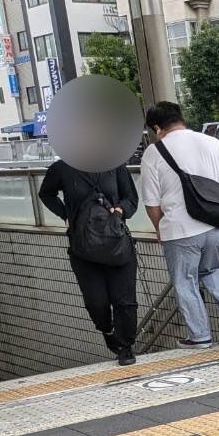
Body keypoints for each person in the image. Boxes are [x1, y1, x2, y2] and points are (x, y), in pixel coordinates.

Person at [139, 101, 219, 349]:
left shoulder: (154, 153)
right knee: (211, 268)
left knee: (185, 281)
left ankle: (200, 336)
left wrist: (159, 229)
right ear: (180, 118)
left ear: (157, 127)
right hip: (215, 226)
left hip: (180, 229)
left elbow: (152, 203)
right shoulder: (211, 142)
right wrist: (218, 208)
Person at [38, 156, 140, 366]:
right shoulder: (62, 168)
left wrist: (120, 210)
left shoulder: (115, 164)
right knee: (97, 302)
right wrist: (66, 214)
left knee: (125, 301)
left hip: (116, 244)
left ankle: (126, 346)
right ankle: (107, 329)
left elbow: (131, 198)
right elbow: (46, 193)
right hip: (83, 247)